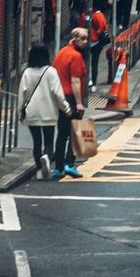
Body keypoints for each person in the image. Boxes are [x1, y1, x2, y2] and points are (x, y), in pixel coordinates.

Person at [18, 44, 71, 179]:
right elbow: (58, 94)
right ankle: (46, 157)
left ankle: (40, 170)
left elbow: (21, 95)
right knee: (48, 142)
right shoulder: (51, 71)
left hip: (31, 112)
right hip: (48, 112)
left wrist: (20, 111)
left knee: (36, 142)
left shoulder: (27, 72)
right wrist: (66, 108)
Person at [50, 29, 89, 178]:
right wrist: (79, 103)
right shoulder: (76, 56)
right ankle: (70, 165)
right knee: (74, 133)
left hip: (60, 97)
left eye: (86, 39)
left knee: (62, 133)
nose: (85, 42)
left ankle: (58, 168)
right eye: (83, 39)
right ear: (74, 38)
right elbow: (75, 80)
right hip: (71, 98)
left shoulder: (61, 52)